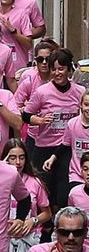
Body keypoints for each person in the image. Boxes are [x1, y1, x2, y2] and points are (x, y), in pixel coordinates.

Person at [22, 49, 84, 208]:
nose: (57, 73)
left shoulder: (79, 91)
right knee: (44, 193)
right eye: (54, 69)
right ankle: (45, 229)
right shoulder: (42, 92)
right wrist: (40, 120)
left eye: (61, 69)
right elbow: (26, 115)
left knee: (63, 194)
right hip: (45, 147)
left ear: (69, 70)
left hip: (66, 149)